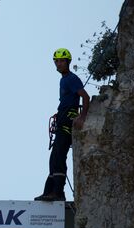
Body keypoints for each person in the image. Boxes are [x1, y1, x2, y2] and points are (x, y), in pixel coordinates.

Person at [35, 48, 89, 201]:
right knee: (54, 158)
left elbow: (85, 97)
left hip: (67, 122)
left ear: (67, 62)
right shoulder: (63, 79)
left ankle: (57, 193)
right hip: (62, 119)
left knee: (59, 157)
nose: (59, 64)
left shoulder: (71, 79)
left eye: (62, 61)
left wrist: (82, 117)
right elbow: (67, 100)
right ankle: (50, 191)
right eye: (56, 61)